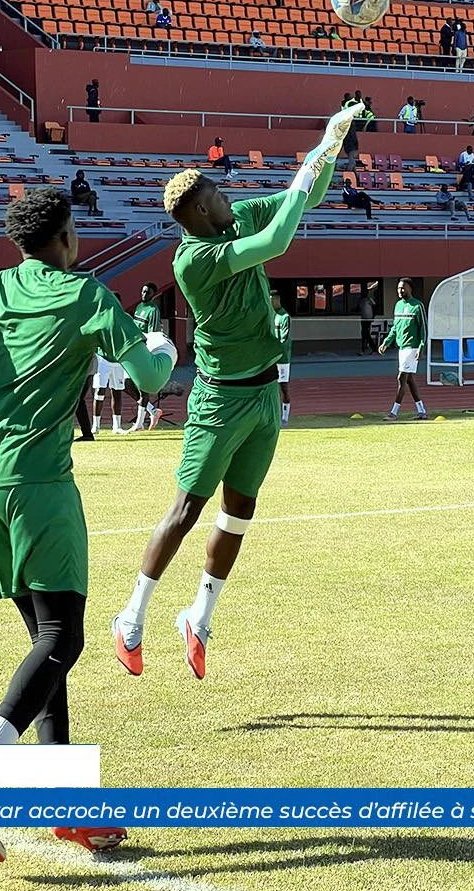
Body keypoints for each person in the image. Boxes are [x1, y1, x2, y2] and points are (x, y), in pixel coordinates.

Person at [0, 187, 174, 862]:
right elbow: (146, 376)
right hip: (38, 484)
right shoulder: (87, 296)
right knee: (62, 636)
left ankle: (69, 809)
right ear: (66, 237)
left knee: (48, 645)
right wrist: (162, 350)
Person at [110, 101, 364, 680]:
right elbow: (277, 242)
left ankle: (198, 616)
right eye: (222, 196)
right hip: (219, 399)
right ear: (199, 211)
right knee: (185, 510)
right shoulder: (192, 261)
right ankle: (132, 616)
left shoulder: (235, 218)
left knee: (239, 514)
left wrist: (330, 147)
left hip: (263, 395)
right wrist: (320, 140)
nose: (233, 199)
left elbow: (309, 198)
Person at [378, 278, 427, 421]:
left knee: (401, 377)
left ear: (410, 289)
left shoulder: (417, 306)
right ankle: (422, 411)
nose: (400, 290)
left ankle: (394, 412)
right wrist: (386, 342)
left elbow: (423, 328)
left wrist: (421, 347)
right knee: (409, 380)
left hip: (412, 348)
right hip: (402, 347)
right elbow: (395, 327)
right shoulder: (398, 305)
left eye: (403, 288)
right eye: (399, 288)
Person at [130, 282, 165, 430]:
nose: (144, 295)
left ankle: (139, 424)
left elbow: (154, 334)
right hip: (134, 348)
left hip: (144, 350)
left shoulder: (153, 310)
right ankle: (152, 410)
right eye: (143, 291)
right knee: (127, 384)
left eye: (148, 293)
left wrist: (149, 352)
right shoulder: (139, 307)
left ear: (153, 295)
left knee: (142, 386)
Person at [271, 289, 292, 426]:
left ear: (277, 300)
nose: (270, 302)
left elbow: (283, 340)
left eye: (272, 299)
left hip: (282, 359)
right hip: (270, 359)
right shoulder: (270, 316)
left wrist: (273, 350)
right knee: (269, 388)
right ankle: (272, 416)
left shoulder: (285, 317)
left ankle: (285, 416)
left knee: (283, 388)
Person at [359, 287, 376, 353]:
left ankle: (373, 347)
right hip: (363, 318)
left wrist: (373, 316)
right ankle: (363, 348)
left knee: (365, 333)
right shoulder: (361, 301)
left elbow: (375, 306)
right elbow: (360, 308)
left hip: (368, 318)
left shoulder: (369, 299)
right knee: (363, 333)